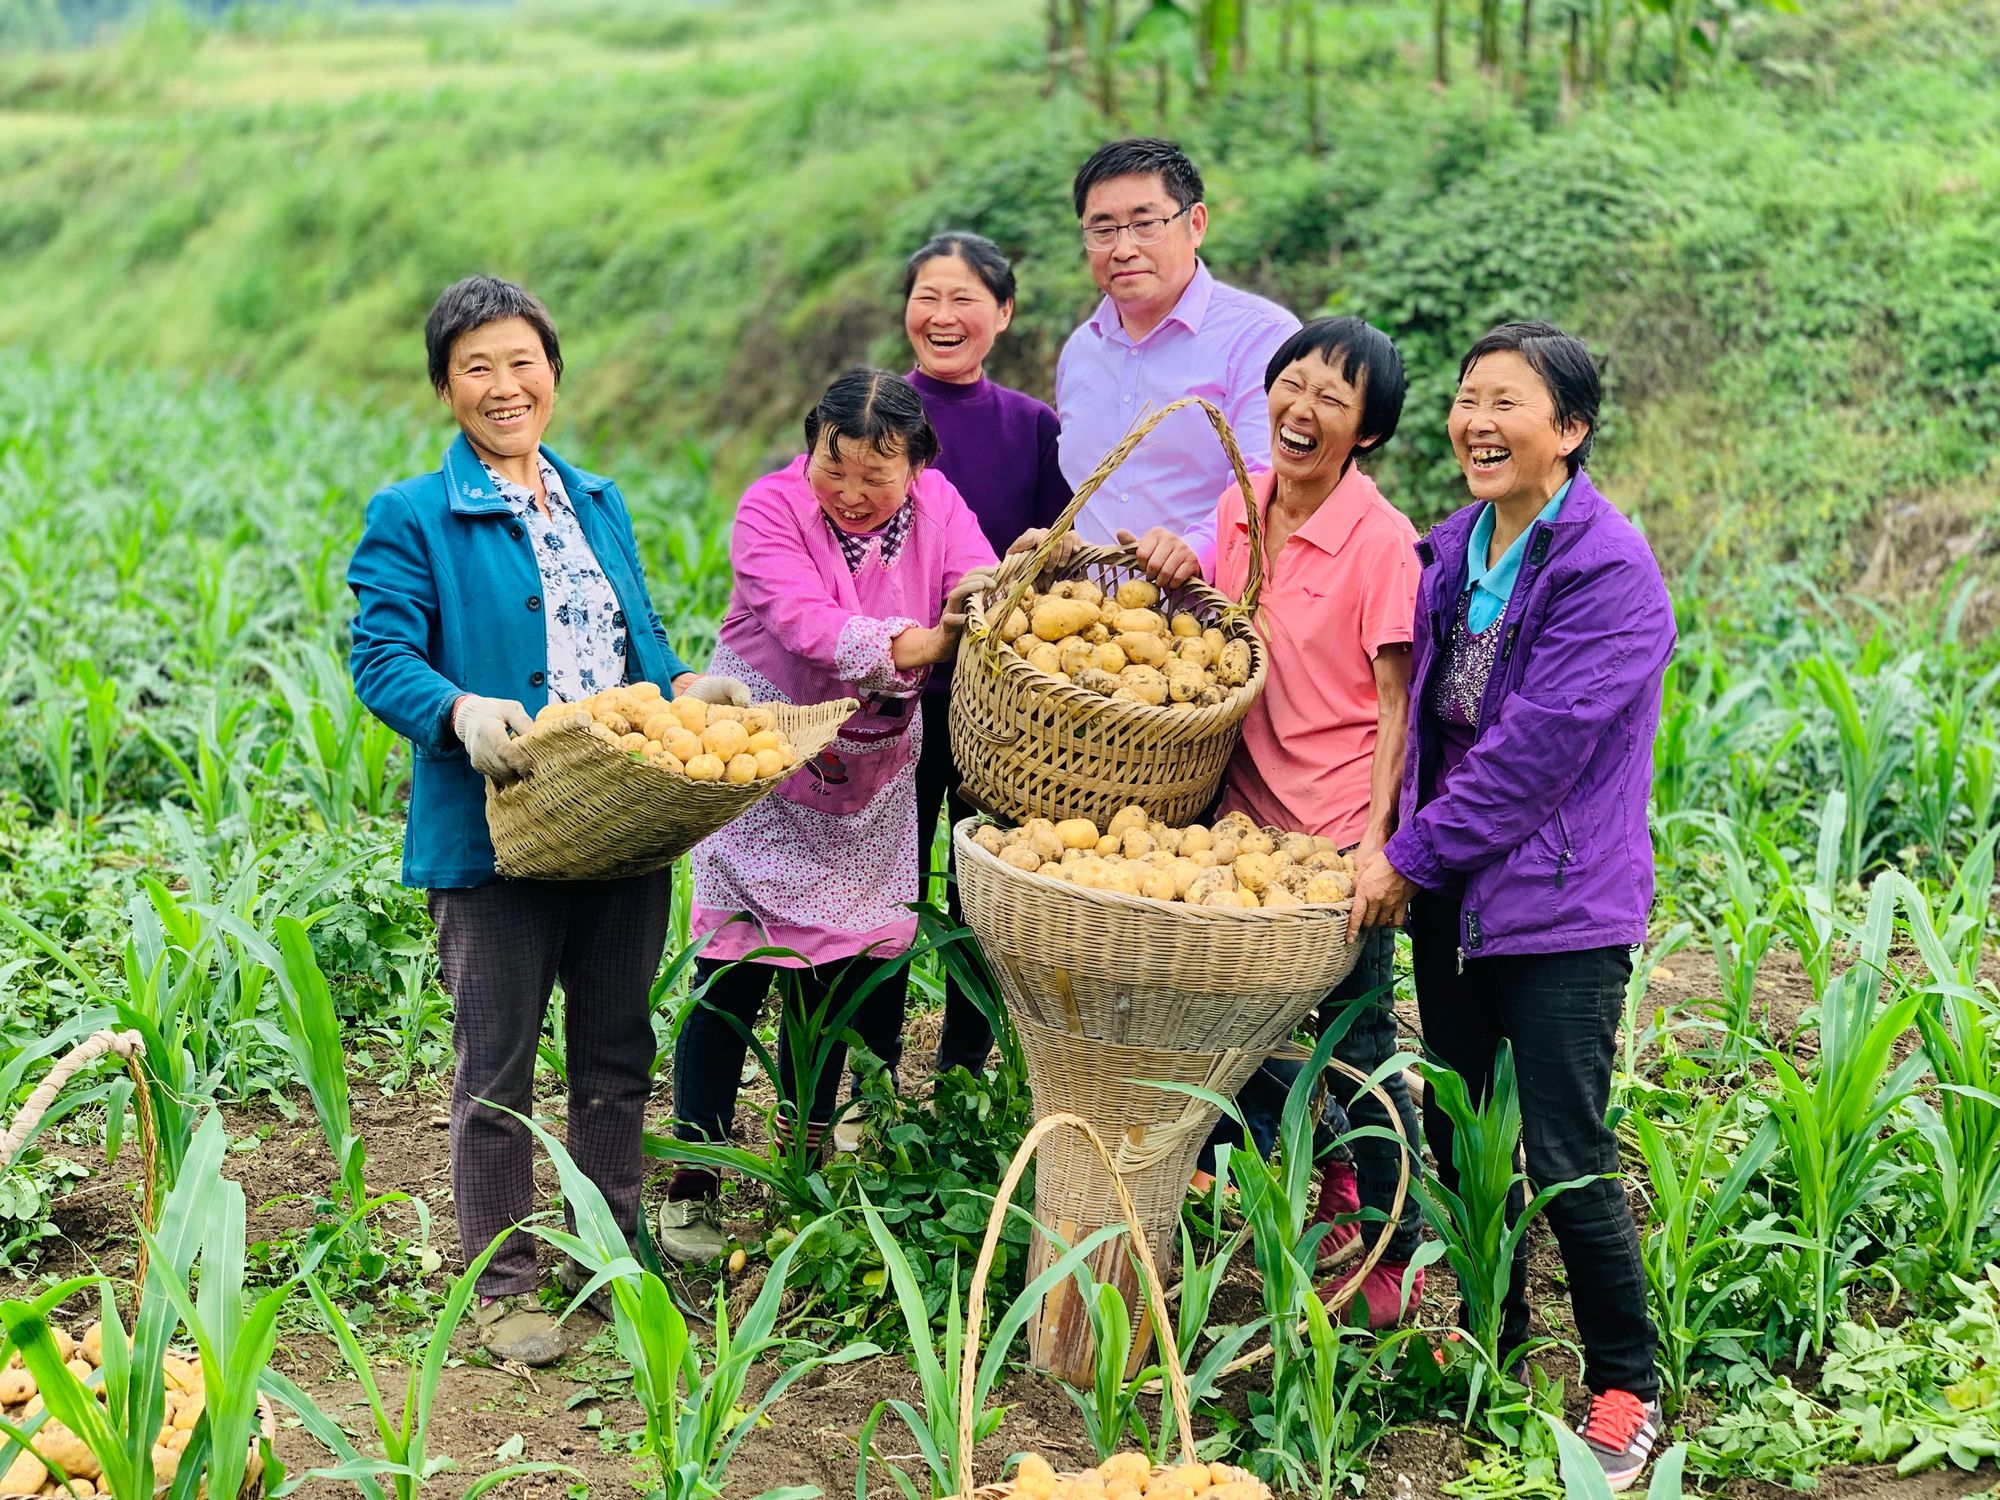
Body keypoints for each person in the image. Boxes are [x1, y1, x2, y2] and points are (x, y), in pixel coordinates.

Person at [347, 275, 746, 1366]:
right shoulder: (412, 516)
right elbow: (380, 658)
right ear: (444, 388)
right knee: (497, 1062)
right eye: (476, 366)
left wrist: (683, 690)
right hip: (498, 832)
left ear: (553, 373)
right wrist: (458, 711)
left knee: (616, 1049)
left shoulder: (595, 498)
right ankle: (501, 1281)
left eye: (522, 360)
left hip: (620, 821)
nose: (503, 385)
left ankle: (608, 1251)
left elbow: (634, 649)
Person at [1348, 322, 1674, 1491]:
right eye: (1465, 397)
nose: (1476, 421)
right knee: (1465, 1133)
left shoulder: (1606, 572)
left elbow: (1531, 756)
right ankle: (1492, 1351)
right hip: (1451, 900)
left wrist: (1402, 858)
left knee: (1567, 1155)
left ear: (1569, 432)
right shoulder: (1448, 548)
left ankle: (1625, 1389)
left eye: (1508, 403)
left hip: (1557, 909)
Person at [656, 369, 998, 1263]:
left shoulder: (941, 506)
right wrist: (920, 642)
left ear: (915, 466)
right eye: (832, 467)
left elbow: (976, 575)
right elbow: (804, 623)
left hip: (873, 782)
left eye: (874, 477)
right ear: (809, 448)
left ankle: (802, 1163)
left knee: (839, 976)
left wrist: (987, 595)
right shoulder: (768, 509)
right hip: (760, 761)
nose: (849, 493)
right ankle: (695, 1176)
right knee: (732, 973)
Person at [1193, 317, 1426, 1328]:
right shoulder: (1239, 503)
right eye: (1293, 384)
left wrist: (1379, 849)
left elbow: (1396, 708)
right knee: (1225, 1029)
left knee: (1357, 1039)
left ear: (1365, 432)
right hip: (1242, 828)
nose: (1303, 409)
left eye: (1334, 398)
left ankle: (1390, 1247)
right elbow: (1214, 632)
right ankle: (1319, 1178)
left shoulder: (1379, 539)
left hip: (1332, 832)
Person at [902, 231, 1072, 1076]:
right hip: (888, 695)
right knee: (880, 890)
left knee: (981, 886)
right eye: (927, 296)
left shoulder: (1035, 428)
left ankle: (964, 1069)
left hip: (997, 710)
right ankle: (865, 1072)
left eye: (965, 298)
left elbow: (1057, 566)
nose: (943, 316)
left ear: (1002, 315)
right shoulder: (874, 414)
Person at [1052, 137, 1299, 581]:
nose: (1123, 249)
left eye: (1146, 223)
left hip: (1216, 617)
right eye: (1103, 230)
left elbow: (1272, 479)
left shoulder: (1262, 336)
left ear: (1196, 223)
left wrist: (1198, 549)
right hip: (1090, 633)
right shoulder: (1079, 352)